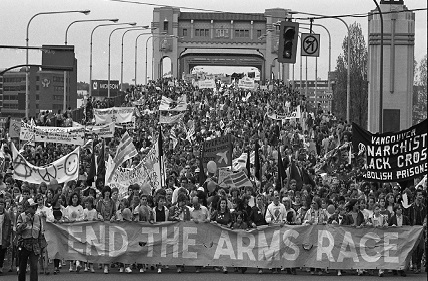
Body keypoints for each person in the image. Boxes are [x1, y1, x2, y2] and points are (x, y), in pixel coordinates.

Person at [16, 198, 43, 281]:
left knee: (34, 268)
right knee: (22, 268)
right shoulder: (21, 216)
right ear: (27, 207)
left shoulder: (38, 217)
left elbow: (40, 232)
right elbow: (17, 230)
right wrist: (25, 222)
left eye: (35, 207)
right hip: (24, 244)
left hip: (35, 245)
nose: (35, 209)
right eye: (33, 207)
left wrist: (41, 245)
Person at [388, 204, 409, 277]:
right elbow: (388, 227)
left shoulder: (405, 218)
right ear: (395, 211)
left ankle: (401, 269)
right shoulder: (392, 218)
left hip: (403, 238)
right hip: (394, 238)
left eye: (401, 209)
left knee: (402, 254)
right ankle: (394, 269)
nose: (400, 210)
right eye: (398, 209)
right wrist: (392, 227)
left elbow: (409, 227)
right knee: (395, 254)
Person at [0, 196, 12, 274]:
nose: (0, 206)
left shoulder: (6, 214)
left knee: (2, 252)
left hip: (3, 236)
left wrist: (8, 237)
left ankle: (0, 267)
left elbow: (9, 226)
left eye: (2, 204)